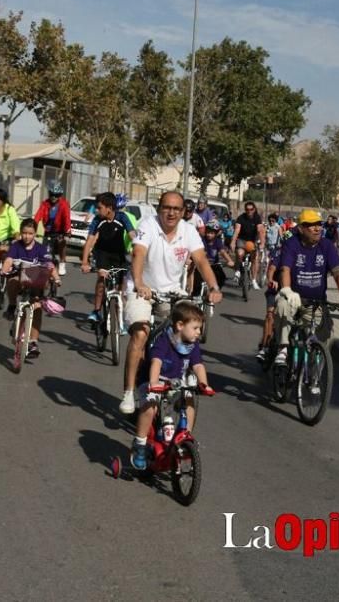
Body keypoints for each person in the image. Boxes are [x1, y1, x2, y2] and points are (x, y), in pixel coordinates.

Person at [122, 191, 223, 414]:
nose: (171, 213)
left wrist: (214, 287)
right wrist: (139, 283)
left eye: (176, 209)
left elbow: (201, 260)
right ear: (159, 209)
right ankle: (129, 391)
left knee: (183, 333)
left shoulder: (188, 231)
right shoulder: (148, 225)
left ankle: (175, 378)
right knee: (141, 332)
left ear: (183, 212)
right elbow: (138, 254)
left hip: (172, 293)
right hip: (143, 290)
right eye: (167, 207)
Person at [129, 301, 214, 469]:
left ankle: (185, 436)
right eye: (196, 328)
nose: (199, 333)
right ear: (180, 325)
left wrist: (204, 384)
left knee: (189, 398)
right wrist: (154, 383)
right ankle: (140, 444)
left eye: (200, 328)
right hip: (152, 379)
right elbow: (156, 362)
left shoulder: (192, 345)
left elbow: (197, 365)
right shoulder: (165, 340)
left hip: (175, 381)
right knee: (151, 406)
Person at [273, 210, 339, 366]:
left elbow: (338, 274)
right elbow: (285, 269)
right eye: (311, 225)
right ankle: (282, 348)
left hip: (315, 302)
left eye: (319, 224)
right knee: (283, 304)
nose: (317, 228)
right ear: (301, 228)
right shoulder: (292, 244)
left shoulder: (327, 246)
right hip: (293, 298)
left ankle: (315, 373)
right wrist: (287, 290)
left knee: (326, 333)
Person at [0, 218, 61, 358]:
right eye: (24, 233)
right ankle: (12, 305)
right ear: (21, 233)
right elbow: (9, 260)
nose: (27, 236)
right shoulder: (16, 246)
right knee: (12, 281)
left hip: (35, 284)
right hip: (20, 281)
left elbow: (49, 265)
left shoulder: (40, 248)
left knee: (37, 309)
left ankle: (33, 341)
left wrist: (57, 278)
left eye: (30, 233)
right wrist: (4, 270)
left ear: (35, 234)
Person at [81, 192, 136, 323]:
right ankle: (96, 311)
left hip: (119, 254)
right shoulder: (97, 220)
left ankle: (119, 320)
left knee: (120, 289)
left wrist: (138, 253)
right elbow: (90, 241)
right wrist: (84, 262)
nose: (96, 210)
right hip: (102, 253)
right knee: (101, 280)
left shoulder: (122, 217)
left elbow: (132, 235)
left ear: (109, 208)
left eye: (99, 208)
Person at [33, 181, 72, 276]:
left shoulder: (64, 204)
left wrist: (67, 232)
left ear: (60, 195)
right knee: (44, 253)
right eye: (52, 194)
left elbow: (67, 218)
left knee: (61, 243)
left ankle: (62, 262)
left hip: (60, 231)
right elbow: (38, 217)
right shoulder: (45, 204)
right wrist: (32, 228)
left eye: (56, 195)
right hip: (48, 232)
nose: (54, 197)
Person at [192, 219, 233, 297]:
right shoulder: (201, 240)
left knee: (222, 276)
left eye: (211, 233)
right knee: (196, 279)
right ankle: (195, 295)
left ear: (216, 233)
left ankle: (215, 292)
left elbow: (222, 252)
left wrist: (229, 261)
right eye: (208, 232)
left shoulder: (218, 242)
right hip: (201, 265)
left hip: (214, 265)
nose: (209, 235)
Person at [231, 201, 266, 290]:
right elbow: (237, 230)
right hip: (242, 240)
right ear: (245, 210)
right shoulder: (241, 218)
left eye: (251, 209)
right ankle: (238, 270)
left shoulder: (257, 218)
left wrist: (262, 243)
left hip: (252, 242)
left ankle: (253, 280)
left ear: (254, 210)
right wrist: (233, 242)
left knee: (255, 258)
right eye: (247, 209)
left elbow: (260, 230)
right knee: (239, 254)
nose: (249, 211)